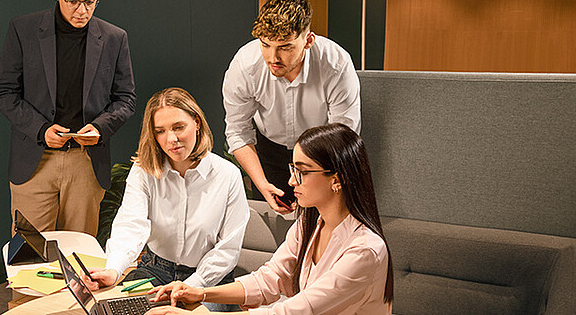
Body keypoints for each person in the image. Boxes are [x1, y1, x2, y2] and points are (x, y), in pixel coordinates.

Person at [147, 123, 393, 315]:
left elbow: (299, 310)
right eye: (292, 169)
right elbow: (269, 278)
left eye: (302, 172)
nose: (291, 181)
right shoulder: (309, 224)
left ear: (336, 179)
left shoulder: (365, 251)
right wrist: (200, 293)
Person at [0, 0, 135, 235]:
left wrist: (100, 128)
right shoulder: (23, 30)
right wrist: (40, 129)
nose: (82, 11)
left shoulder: (115, 37)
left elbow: (125, 98)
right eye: (72, 1)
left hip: (86, 161)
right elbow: (4, 92)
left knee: (82, 256)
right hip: (34, 159)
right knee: (27, 256)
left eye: (90, 2)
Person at [84, 87, 249, 312]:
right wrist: (113, 269)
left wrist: (191, 286)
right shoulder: (144, 170)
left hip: (208, 281)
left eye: (178, 127)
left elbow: (227, 250)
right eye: (160, 131)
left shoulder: (227, 175)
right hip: (154, 271)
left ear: (197, 122)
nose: (171, 139)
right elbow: (131, 224)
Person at [223, 0, 361, 215]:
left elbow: (343, 134)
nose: (272, 58)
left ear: (308, 40)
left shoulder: (335, 64)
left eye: (285, 47)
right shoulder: (245, 65)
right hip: (268, 150)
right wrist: (261, 183)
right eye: (265, 44)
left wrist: (311, 180)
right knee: (276, 225)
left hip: (323, 154)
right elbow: (238, 131)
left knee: (322, 224)